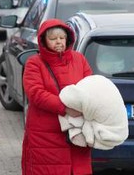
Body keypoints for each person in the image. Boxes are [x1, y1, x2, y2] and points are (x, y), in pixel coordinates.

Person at [22, 19, 93, 175]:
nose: (58, 42)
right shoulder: (34, 63)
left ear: (67, 38)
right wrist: (65, 108)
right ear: (44, 41)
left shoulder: (79, 59)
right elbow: (36, 94)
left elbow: (91, 87)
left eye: (61, 38)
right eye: (53, 39)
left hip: (77, 132)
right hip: (45, 133)